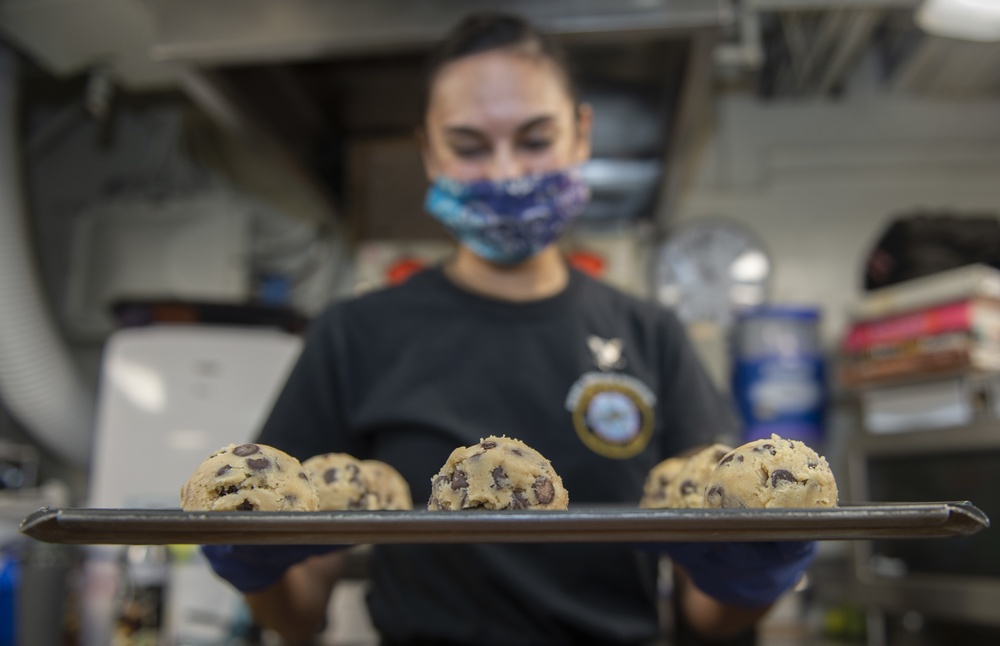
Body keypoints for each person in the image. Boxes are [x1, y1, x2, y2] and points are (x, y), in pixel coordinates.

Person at [202, 13, 815, 646]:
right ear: (429, 153)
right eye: (469, 146)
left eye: (534, 138)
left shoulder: (652, 334)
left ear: (580, 134)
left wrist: (753, 578)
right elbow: (298, 616)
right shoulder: (354, 334)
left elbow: (706, 619)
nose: (505, 172)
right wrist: (254, 563)